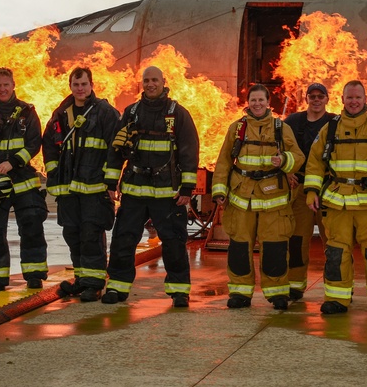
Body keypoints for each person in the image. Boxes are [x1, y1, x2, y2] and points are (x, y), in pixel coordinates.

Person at [303, 80, 367, 316]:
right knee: (336, 253)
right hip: (338, 202)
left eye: (358, 98)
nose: (353, 102)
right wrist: (311, 191)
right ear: (342, 100)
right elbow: (315, 163)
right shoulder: (330, 129)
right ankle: (337, 299)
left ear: (365, 99)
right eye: (349, 97)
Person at [105, 66, 199, 308]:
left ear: (163, 81)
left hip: (167, 194)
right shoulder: (131, 113)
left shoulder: (177, 114)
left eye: (154, 79)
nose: (150, 84)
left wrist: (187, 188)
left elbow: (189, 151)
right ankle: (117, 286)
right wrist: (111, 183)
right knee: (123, 240)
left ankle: (179, 291)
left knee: (174, 242)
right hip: (135, 191)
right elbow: (116, 150)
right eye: (146, 80)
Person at [212, 84, 304, 310]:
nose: (257, 104)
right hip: (241, 199)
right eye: (253, 100)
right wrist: (219, 191)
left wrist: (284, 161)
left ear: (268, 102)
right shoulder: (237, 129)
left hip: (274, 200)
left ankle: (277, 294)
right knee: (239, 247)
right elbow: (224, 161)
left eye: (261, 100)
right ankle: (240, 293)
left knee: (274, 247)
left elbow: (298, 157)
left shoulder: (281, 128)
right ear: (248, 103)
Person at [41, 67, 120, 302]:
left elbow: (115, 149)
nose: (80, 89)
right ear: (70, 86)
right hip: (68, 190)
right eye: (76, 85)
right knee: (72, 234)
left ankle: (94, 284)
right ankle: (81, 278)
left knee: (91, 234)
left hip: (94, 189)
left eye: (84, 84)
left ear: (91, 84)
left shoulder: (105, 112)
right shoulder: (61, 113)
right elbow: (49, 145)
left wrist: (110, 181)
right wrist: (54, 173)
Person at [0, 68, 48, 292]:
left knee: (32, 225)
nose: (2, 89)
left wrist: (13, 162)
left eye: (6, 85)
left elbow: (34, 143)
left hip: (22, 178)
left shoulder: (27, 112)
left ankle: (34, 274)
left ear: (13, 85)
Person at [284, 82, 334, 300]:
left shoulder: (335, 122)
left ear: (327, 99)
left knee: (334, 240)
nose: (316, 99)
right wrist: (287, 170)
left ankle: (339, 286)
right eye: (312, 96)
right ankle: (295, 285)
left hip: (328, 190)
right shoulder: (294, 122)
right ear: (306, 99)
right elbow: (278, 144)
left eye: (320, 96)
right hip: (300, 190)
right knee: (297, 240)